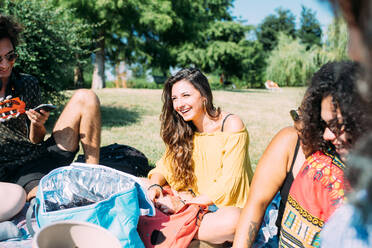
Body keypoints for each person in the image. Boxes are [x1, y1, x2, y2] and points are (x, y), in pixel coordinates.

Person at [233, 61, 368, 248]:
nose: (328, 135)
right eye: (324, 124)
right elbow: (256, 204)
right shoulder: (294, 143)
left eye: (337, 125)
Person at [0, 15, 101, 202]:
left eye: (10, 57)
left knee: (86, 97)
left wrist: (37, 124)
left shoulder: (27, 83)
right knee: (50, 197)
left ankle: (93, 174)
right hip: (15, 172)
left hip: (39, 154)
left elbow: (36, 139)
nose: (5, 65)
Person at [147, 68, 253, 244]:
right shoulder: (183, 128)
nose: (179, 104)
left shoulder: (231, 125)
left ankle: (171, 225)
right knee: (141, 185)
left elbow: (229, 184)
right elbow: (164, 167)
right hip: (190, 203)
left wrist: (185, 205)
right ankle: (179, 226)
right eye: (174, 98)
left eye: (186, 95)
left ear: (204, 95)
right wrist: (155, 187)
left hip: (219, 208)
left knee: (235, 222)